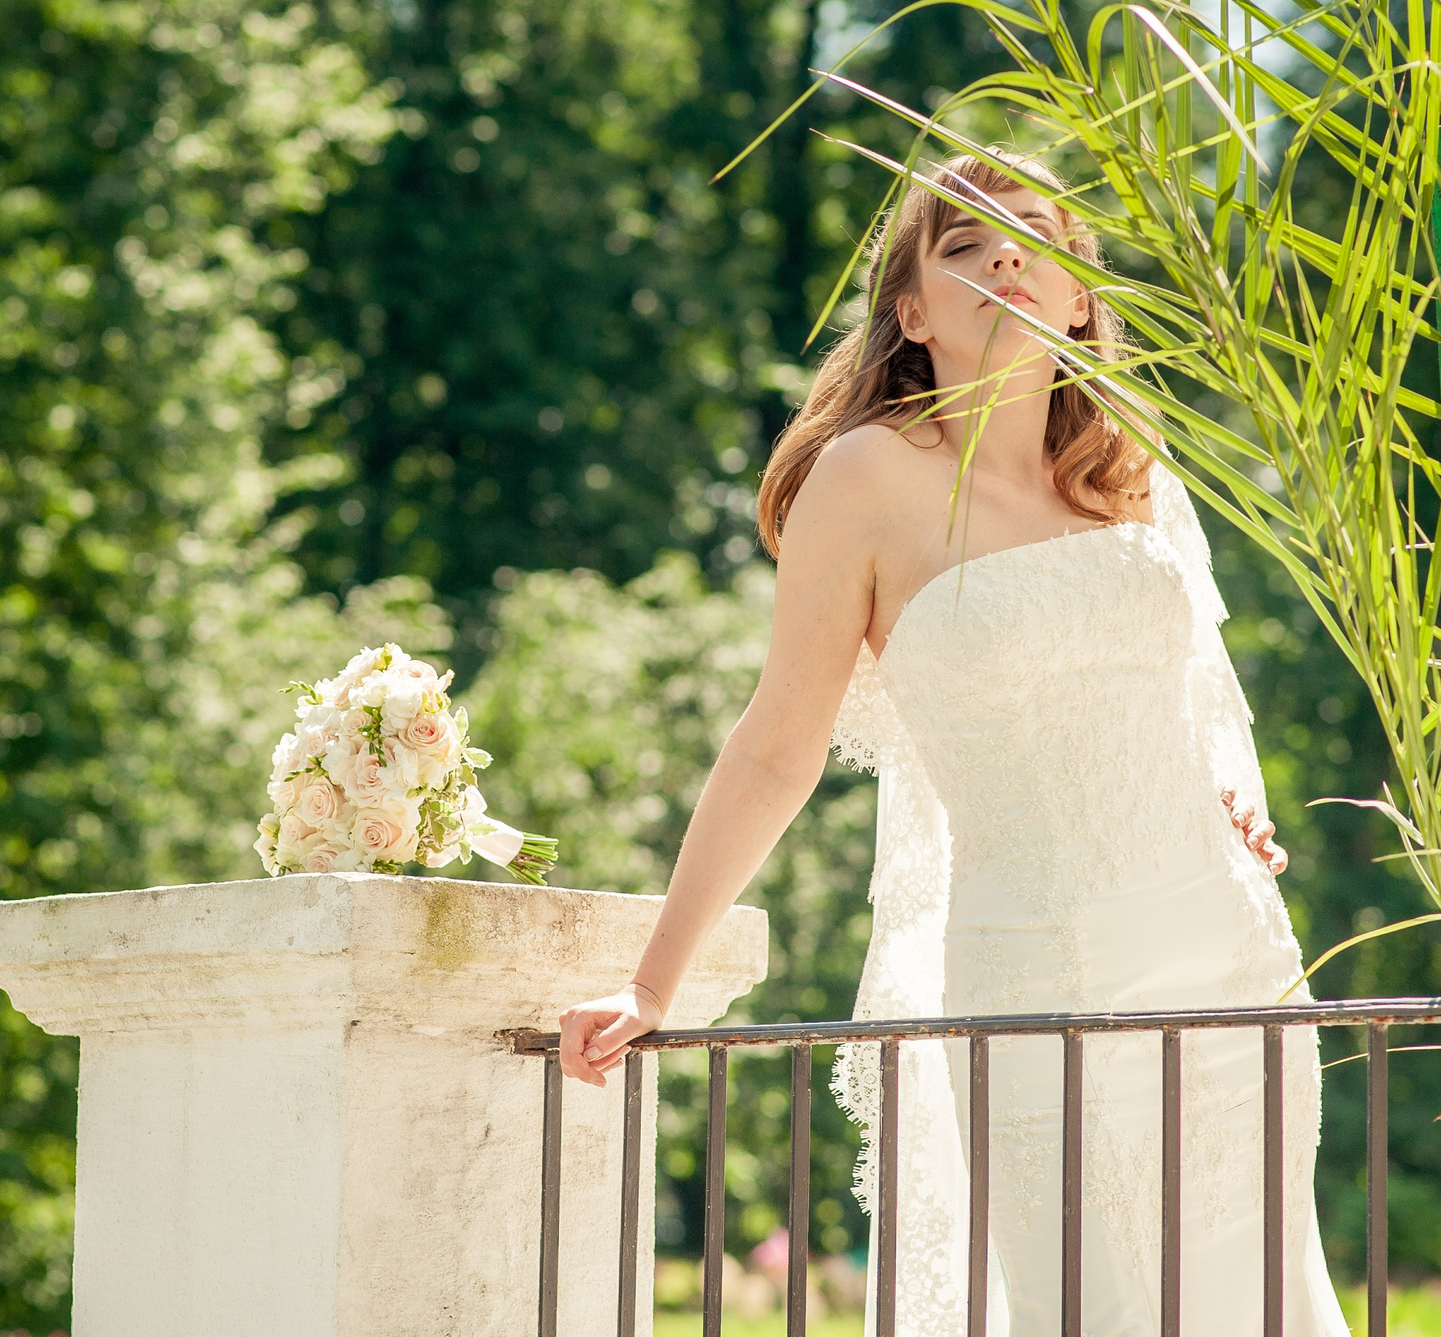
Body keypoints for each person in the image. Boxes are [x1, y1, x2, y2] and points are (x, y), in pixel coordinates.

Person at [555, 150, 1349, 1335]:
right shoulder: (865, 479)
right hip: (1035, 977)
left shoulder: (1127, 470)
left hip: (1227, 958)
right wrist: (653, 979)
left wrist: (1236, 794)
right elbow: (779, 744)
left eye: (1032, 236)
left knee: (1264, 1303)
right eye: (966, 247)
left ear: (1082, 294)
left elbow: (1195, 685)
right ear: (912, 315)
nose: (1007, 258)